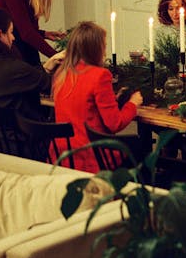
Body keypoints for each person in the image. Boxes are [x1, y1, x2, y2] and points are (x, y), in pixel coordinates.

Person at [52, 21, 143, 173]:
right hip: (92, 155)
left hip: (63, 154)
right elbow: (114, 124)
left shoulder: (62, 73)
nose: (105, 51)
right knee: (139, 150)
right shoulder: (100, 75)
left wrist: (113, 99)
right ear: (94, 49)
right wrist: (133, 104)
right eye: (104, 46)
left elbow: (85, 107)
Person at [0, 7, 64, 120]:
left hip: (5, 134)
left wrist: (47, 65)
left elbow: (28, 76)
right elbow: (52, 86)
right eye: (11, 32)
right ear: (0, 34)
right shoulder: (12, 69)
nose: (13, 38)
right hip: (30, 134)